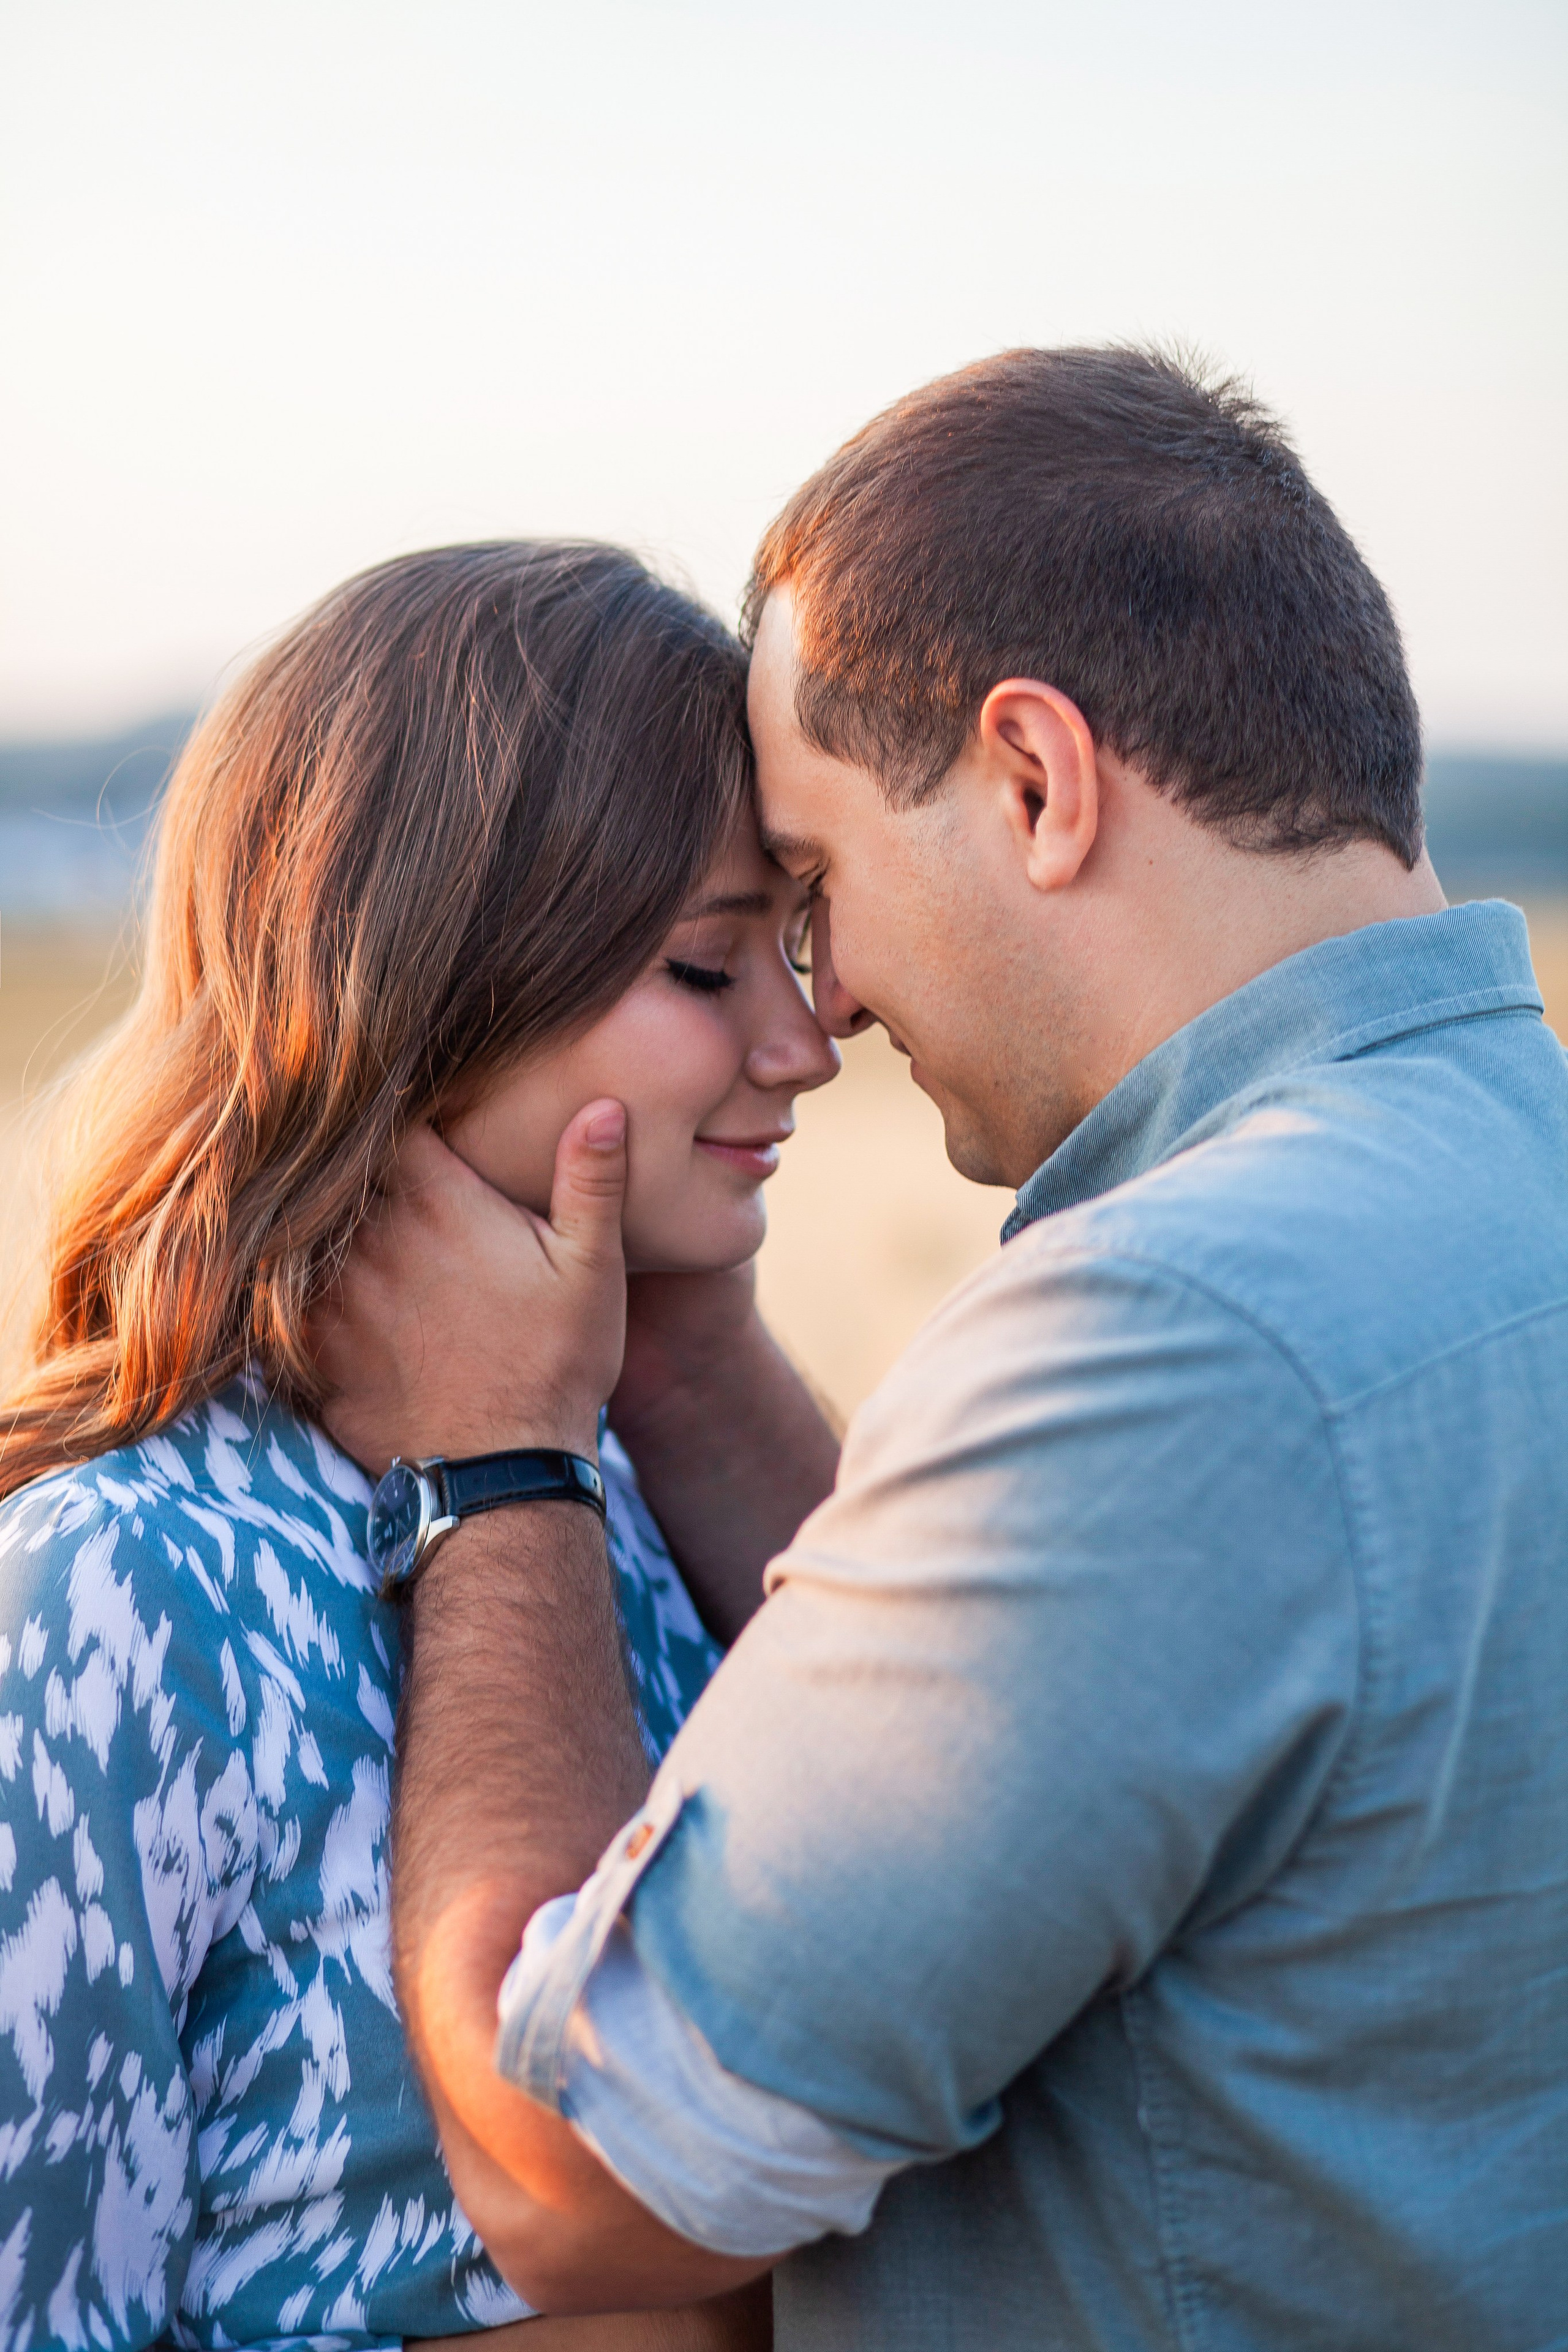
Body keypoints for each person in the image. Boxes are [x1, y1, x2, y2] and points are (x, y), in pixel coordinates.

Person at [317, 349, 1568, 2351]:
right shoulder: (1509, 1183)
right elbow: (1081, 1717)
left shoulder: (1179, 1333)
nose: (829, 1009)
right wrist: (693, 1345)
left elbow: (584, 2183)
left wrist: (498, 1467)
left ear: (1035, 781)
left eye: (813, 890)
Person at [0, 541, 835, 2350]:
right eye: (708, 966)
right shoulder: (113, 1592)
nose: (804, 1042)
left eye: (799, 945)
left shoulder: (622, 1498)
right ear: (433, 983)